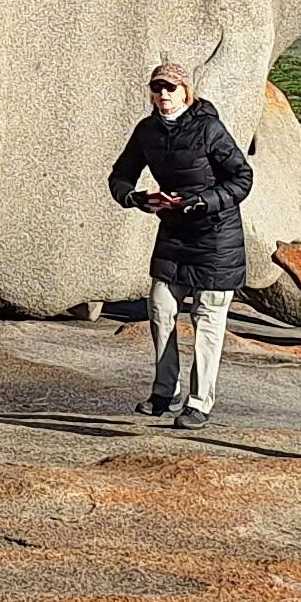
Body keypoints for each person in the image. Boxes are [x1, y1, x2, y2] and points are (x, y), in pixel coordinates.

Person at [106, 60, 254, 423]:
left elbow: (242, 178)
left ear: (186, 91)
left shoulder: (209, 129)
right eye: (157, 88)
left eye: (170, 88)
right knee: (160, 309)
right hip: (174, 233)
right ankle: (165, 391)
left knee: (207, 319)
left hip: (217, 238)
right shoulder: (147, 132)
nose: (163, 95)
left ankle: (199, 403)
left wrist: (203, 201)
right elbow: (120, 176)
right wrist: (139, 198)